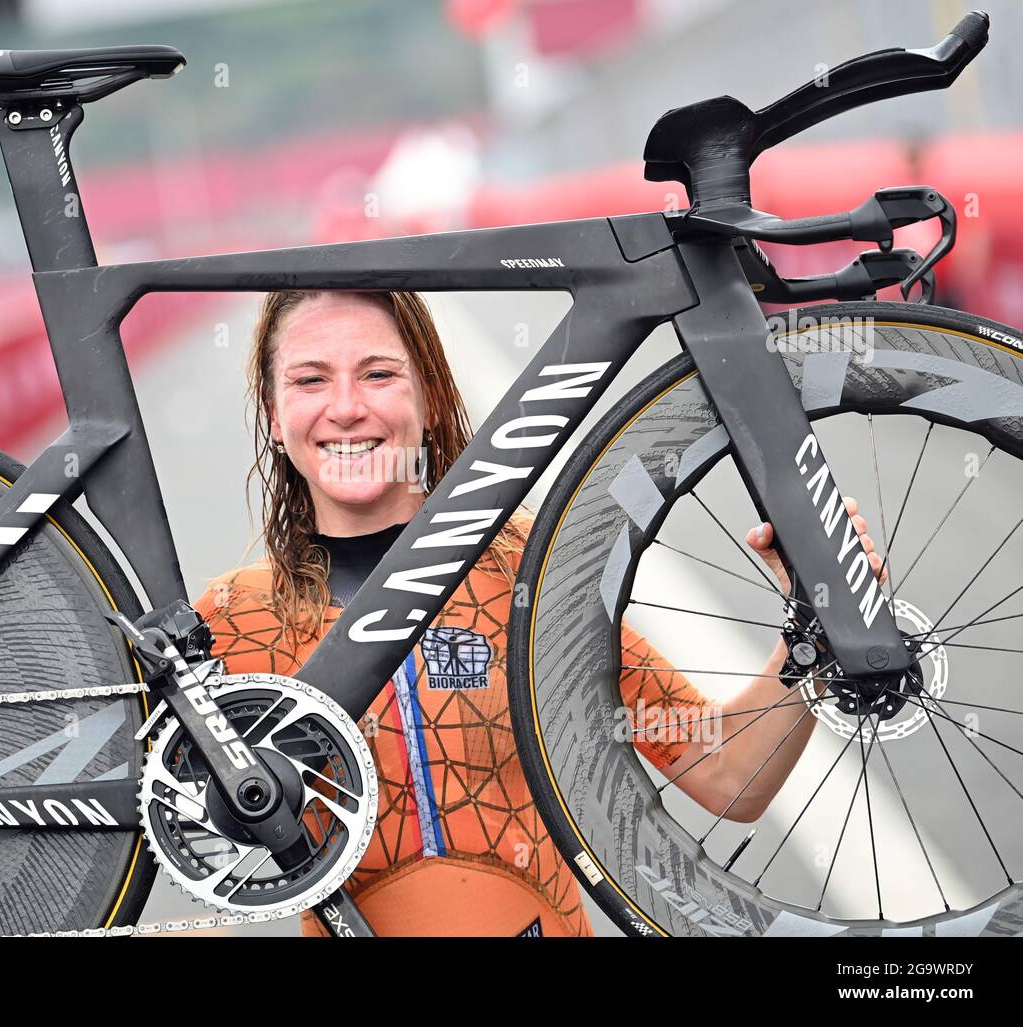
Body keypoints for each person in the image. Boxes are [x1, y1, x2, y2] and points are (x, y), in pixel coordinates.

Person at [191, 290, 886, 936]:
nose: (345, 407)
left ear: (430, 397)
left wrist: (821, 623)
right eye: (311, 380)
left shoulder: (530, 572)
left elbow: (730, 774)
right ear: (274, 414)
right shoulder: (231, 620)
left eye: (378, 374)